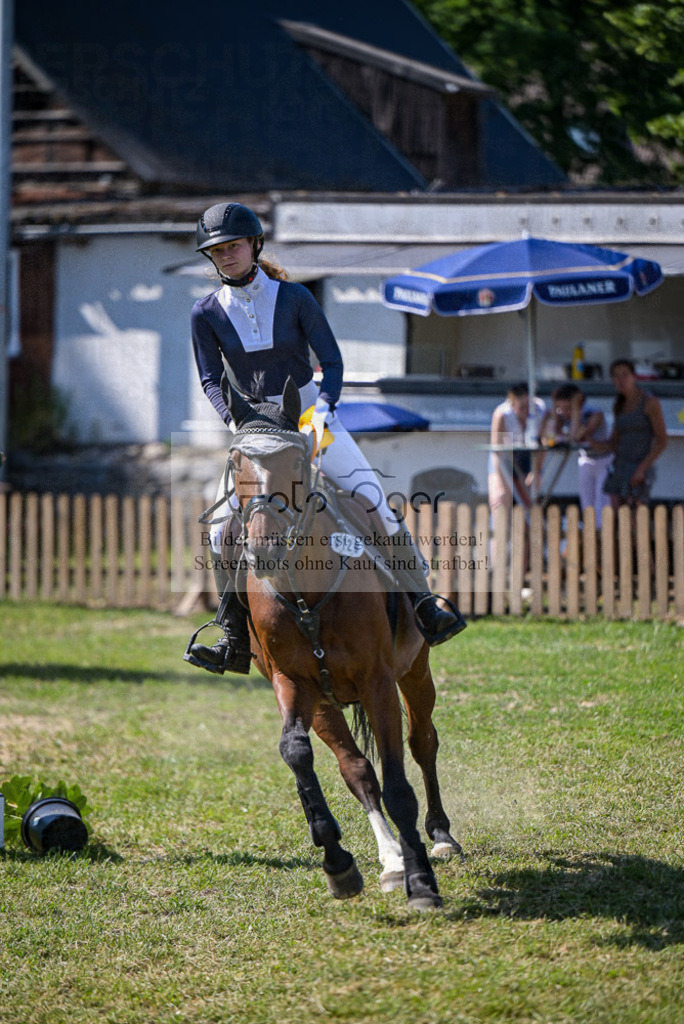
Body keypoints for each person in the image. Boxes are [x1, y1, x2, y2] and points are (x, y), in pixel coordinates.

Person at [185, 202, 466, 674]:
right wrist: (234, 423)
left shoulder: (295, 298)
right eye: (216, 250)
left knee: (374, 500)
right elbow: (211, 380)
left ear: (254, 245)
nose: (226, 255)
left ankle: (423, 607)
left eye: (233, 246)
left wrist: (323, 414)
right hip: (253, 428)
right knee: (219, 529)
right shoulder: (206, 312)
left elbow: (331, 363)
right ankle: (232, 636)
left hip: (311, 414)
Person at [593, 358, 667, 509]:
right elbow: (613, 442)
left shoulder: (649, 402)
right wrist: (589, 440)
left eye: (624, 374)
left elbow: (661, 441)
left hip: (639, 466)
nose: (621, 380)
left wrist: (642, 469)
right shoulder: (619, 405)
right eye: (616, 376)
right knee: (616, 516)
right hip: (620, 466)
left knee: (635, 516)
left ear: (634, 376)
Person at [539, 383, 612, 527]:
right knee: (587, 507)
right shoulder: (562, 416)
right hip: (585, 461)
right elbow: (549, 438)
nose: (565, 413)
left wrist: (576, 410)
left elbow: (575, 438)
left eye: (568, 408)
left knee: (601, 507)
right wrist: (555, 410)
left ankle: (602, 541)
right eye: (562, 409)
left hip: (604, 462)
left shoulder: (595, 415)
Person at [488, 382, 546, 514]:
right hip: (504, 456)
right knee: (501, 497)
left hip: (528, 455)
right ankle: (501, 531)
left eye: (529, 406)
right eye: (522, 407)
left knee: (529, 498)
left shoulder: (540, 409)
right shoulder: (502, 414)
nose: (527, 411)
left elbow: (543, 444)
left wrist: (535, 471)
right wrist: (502, 480)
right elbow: (497, 450)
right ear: (512, 405)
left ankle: (528, 530)